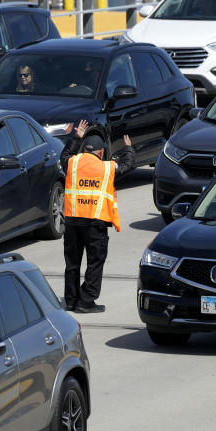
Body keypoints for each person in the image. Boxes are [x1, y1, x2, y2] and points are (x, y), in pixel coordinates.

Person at [58, 119, 134, 313]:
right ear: (100, 152)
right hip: (94, 223)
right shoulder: (107, 167)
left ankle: (71, 300)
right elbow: (128, 165)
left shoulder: (73, 164)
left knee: (72, 263)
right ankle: (85, 301)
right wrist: (128, 149)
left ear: (84, 149)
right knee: (95, 262)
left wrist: (76, 137)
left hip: (73, 222)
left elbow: (64, 155)